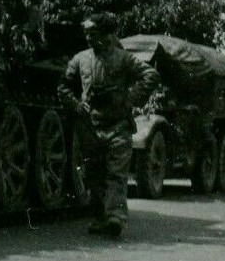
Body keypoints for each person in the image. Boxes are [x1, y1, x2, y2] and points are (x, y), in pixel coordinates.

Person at [58, 13, 159, 238]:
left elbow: (150, 75)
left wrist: (131, 99)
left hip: (118, 125)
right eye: (86, 33)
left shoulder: (124, 59)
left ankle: (115, 217)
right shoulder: (80, 59)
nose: (88, 38)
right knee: (93, 174)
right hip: (90, 126)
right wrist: (76, 105)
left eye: (93, 33)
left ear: (106, 35)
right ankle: (100, 218)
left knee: (116, 173)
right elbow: (63, 85)